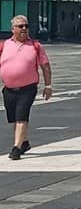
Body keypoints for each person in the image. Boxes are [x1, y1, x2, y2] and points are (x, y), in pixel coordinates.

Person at [0, 15, 52, 160]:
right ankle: (24, 142)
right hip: (9, 89)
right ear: (13, 29)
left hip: (28, 88)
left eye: (26, 26)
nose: (24, 29)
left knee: (22, 116)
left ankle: (16, 148)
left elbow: (45, 66)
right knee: (14, 119)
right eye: (20, 26)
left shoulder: (35, 46)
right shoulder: (4, 45)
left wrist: (48, 86)